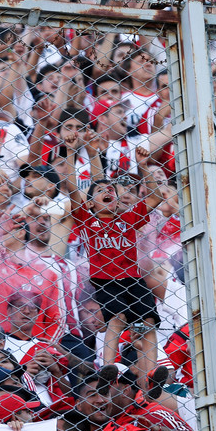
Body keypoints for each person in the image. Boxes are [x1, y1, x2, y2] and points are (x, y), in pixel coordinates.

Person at [64, 141, 164, 383]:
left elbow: (156, 196)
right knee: (117, 319)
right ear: (88, 204)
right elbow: (70, 185)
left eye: (111, 190)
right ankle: (109, 369)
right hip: (105, 280)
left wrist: (143, 166)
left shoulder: (129, 218)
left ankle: (150, 371)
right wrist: (70, 152)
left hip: (133, 277)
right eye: (100, 191)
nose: (107, 191)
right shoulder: (86, 219)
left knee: (147, 320)